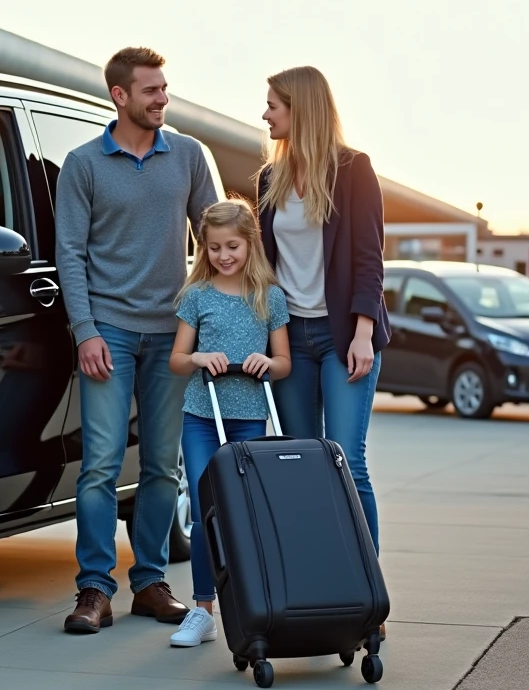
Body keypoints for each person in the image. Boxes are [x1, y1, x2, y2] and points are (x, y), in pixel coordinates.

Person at [55, 46, 219, 634]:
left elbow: (218, 241)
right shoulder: (83, 164)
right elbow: (69, 254)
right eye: (151, 90)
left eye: (164, 88)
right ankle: (94, 590)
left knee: (160, 467)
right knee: (99, 465)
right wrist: (86, 332)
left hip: (171, 337)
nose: (162, 99)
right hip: (111, 335)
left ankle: (149, 583)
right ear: (120, 96)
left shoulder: (189, 156)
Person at [255, 65, 391, 633]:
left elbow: (368, 258)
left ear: (301, 108)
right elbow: (263, 267)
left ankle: (368, 597)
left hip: (342, 338)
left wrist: (362, 332)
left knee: (346, 461)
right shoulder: (270, 178)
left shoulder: (354, 170)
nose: (264, 115)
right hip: (293, 341)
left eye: (273, 106)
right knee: (302, 464)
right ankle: (316, 587)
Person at [165, 198, 292, 647]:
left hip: (250, 419)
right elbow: (178, 360)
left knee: (248, 512)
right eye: (215, 247)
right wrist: (198, 356)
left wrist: (266, 362)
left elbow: (284, 363)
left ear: (250, 244)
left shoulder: (269, 297)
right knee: (205, 511)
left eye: (232, 246)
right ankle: (202, 611)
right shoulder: (196, 295)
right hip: (203, 415)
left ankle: (258, 604)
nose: (224, 255)